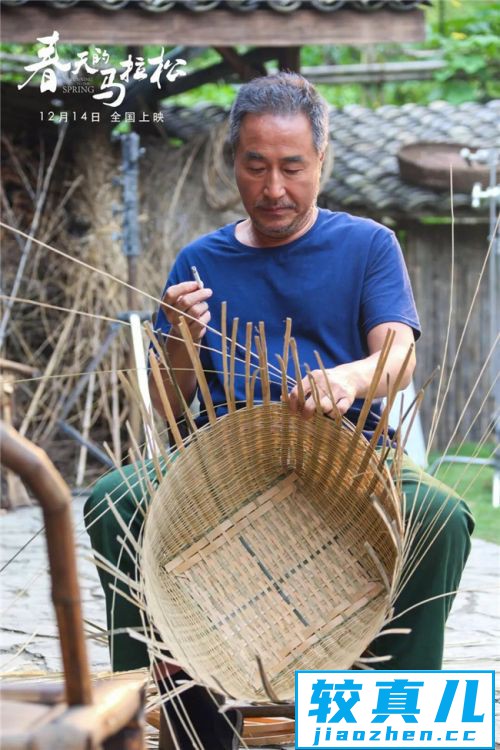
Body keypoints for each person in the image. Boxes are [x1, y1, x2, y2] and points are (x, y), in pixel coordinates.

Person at [84, 73, 473, 749]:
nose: (273, 189)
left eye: (293, 168)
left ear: (321, 161)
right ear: (232, 161)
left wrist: (347, 381)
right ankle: (184, 721)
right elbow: (165, 404)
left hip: (352, 462)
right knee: (114, 500)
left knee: (439, 515)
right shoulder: (200, 261)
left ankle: (393, 728)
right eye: (255, 166)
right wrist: (178, 338)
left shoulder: (368, 245)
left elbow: (399, 355)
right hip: (217, 467)